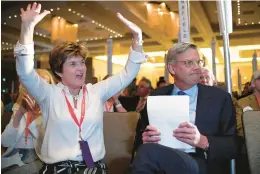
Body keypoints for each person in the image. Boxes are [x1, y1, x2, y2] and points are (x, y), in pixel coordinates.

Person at [14, 3, 146, 173]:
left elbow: (128, 73)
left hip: (92, 168)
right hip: (57, 169)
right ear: (58, 71)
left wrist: (138, 39)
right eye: (73, 64)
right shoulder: (48, 94)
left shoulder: (96, 91)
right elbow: (25, 73)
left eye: (82, 62)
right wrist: (27, 28)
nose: (81, 68)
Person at [131, 42, 237, 174]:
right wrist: (145, 138)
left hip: (199, 161)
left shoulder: (220, 98)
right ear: (172, 68)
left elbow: (234, 145)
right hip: (158, 157)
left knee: (146, 154)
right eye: (189, 63)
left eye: (198, 62)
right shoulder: (156, 95)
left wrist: (202, 141)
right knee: (146, 151)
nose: (197, 67)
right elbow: (140, 137)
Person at [1, 69, 55, 172]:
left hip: (38, 158)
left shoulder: (52, 110)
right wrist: (19, 114)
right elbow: (5, 141)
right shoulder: (18, 107)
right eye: (36, 83)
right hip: (13, 158)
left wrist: (36, 116)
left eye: (44, 84)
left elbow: (47, 144)